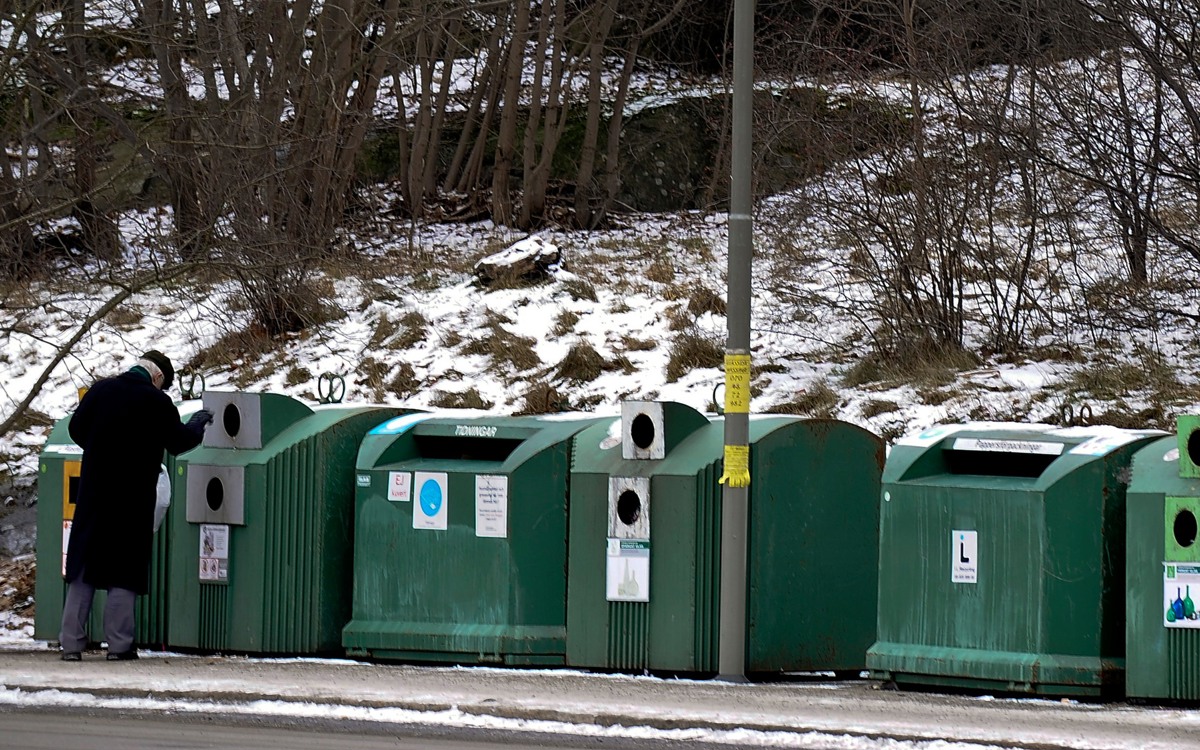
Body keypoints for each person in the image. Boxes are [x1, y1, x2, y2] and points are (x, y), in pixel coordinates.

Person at [60, 350, 213, 661]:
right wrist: (197, 425)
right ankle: (119, 646)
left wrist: (101, 450)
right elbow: (179, 442)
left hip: (93, 494)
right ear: (158, 378)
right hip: (132, 497)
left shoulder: (101, 390)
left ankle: (71, 645)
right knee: (122, 569)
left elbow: (76, 429)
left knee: (83, 567)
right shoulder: (156, 402)